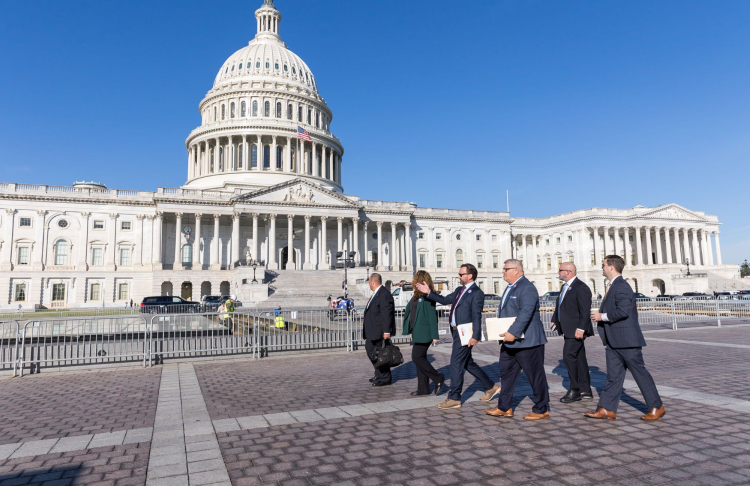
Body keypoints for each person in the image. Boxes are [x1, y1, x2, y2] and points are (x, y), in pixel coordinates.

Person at [586, 255, 665, 421]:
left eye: (603, 265)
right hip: (614, 341)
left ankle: (656, 407)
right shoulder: (613, 285)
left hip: (627, 340)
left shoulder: (622, 286)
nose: (602, 268)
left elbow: (623, 311)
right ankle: (606, 409)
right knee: (613, 376)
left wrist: (602, 316)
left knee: (640, 374)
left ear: (611, 267)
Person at [416, 263, 499, 410]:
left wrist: (476, 336)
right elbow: (445, 300)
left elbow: (476, 315)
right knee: (467, 363)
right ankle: (490, 387)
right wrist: (428, 292)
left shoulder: (476, 292)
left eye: (461, 274)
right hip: (456, 332)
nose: (458, 276)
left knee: (456, 363)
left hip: (466, 332)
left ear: (470, 276)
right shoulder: (459, 290)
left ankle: (454, 397)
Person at [485, 259, 550, 420]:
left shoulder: (527, 287)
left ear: (516, 270)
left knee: (535, 375)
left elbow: (525, 313)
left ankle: (541, 409)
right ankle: (504, 407)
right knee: (506, 374)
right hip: (510, 341)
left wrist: (513, 332)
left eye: (506, 269)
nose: (503, 272)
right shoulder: (511, 287)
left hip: (527, 341)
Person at [550, 262, 594, 403]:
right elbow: (560, 305)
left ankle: (575, 389)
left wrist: (581, 329)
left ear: (568, 272)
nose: (558, 272)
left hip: (576, 330)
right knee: (580, 359)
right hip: (568, 329)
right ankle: (586, 390)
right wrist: (555, 319)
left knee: (568, 356)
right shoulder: (565, 286)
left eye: (560, 270)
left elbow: (585, 310)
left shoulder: (581, 287)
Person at [403, 271, 445, 396]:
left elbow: (432, 316)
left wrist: (435, 335)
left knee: (416, 357)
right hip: (417, 332)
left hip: (425, 332)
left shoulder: (428, 297)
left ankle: (438, 378)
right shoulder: (416, 296)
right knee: (419, 359)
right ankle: (423, 388)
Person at [363, 273, 396, 386]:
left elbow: (387, 314)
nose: (368, 284)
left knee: (382, 354)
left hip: (380, 331)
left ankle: (385, 377)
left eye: (369, 282)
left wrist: (387, 331)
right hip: (374, 330)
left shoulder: (384, 294)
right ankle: (379, 374)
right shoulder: (377, 293)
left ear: (373, 282)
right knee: (371, 350)